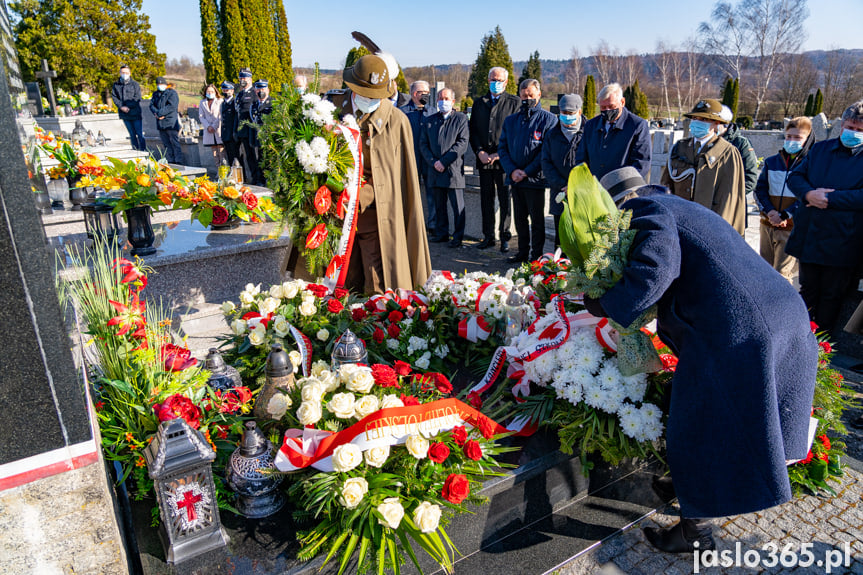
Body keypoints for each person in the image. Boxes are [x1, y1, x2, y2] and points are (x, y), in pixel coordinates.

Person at [582, 178, 816, 554]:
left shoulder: (644, 209)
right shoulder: (680, 205)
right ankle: (686, 484)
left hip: (740, 329)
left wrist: (604, 302)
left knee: (699, 421)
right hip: (777, 312)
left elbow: (654, 269)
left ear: (619, 202)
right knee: (697, 404)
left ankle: (696, 532)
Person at [327, 54, 431, 294]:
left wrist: (359, 196)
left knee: (375, 284)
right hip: (333, 215)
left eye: (377, 96)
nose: (371, 100)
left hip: (375, 217)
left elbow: (393, 178)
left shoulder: (396, 121)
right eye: (365, 94)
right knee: (335, 285)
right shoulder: (331, 110)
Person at [785, 100, 863, 335]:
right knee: (807, 289)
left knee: (832, 295)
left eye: (860, 130)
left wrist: (830, 199)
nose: (854, 133)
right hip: (812, 234)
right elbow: (796, 177)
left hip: (845, 238)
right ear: (842, 125)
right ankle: (798, 338)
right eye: (851, 127)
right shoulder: (820, 150)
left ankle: (823, 346)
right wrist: (808, 193)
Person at [661, 99, 746, 234]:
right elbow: (666, 185)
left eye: (703, 119)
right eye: (695, 118)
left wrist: (718, 233)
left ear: (716, 123)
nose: (696, 122)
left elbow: (728, 199)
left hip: (708, 227)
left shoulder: (727, 152)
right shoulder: (680, 148)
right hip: (678, 224)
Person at [498, 79, 558, 263]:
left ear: (539, 94)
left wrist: (527, 171)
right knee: (520, 219)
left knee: (536, 221)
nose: (527, 98)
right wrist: (512, 170)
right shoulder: (511, 120)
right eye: (524, 96)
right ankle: (522, 252)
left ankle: (536, 256)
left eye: (531, 95)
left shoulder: (549, 120)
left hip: (535, 180)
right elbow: (503, 148)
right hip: (515, 179)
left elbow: (545, 152)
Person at [753, 116, 813, 282]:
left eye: (797, 137)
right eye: (789, 137)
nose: (791, 141)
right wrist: (770, 212)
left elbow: (807, 196)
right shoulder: (772, 162)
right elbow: (760, 190)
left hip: (791, 227)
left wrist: (786, 215)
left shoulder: (811, 165)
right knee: (764, 270)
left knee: (781, 275)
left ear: (807, 139)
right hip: (768, 223)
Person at [469, 66, 520, 253]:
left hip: (504, 160)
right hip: (483, 161)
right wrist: (480, 151)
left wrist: (499, 154)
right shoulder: (479, 103)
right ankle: (488, 236)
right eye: (492, 79)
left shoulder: (514, 103)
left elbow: (516, 133)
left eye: (499, 80)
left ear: (506, 82)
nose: (495, 83)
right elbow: (473, 131)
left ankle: (504, 236)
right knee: (486, 200)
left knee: (505, 200)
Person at [419, 88, 469, 248]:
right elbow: (423, 144)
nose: (443, 101)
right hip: (435, 170)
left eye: (446, 98)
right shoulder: (430, 120)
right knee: (440, 206)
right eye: (440, 98)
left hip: (452, 170)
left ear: (453, 101)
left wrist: (444, 161)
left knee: (457, 207)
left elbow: (462, 143)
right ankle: (442, 234)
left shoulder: (460, 119)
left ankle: (458, 237)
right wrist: (434, 162)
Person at [575, 82, 651, 181]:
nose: (607, 110)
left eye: (611, 107)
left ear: (622, 102)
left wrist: (623, 184)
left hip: (623, 188)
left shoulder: (637, 126)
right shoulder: (591, 126)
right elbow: (581, 158)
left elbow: (641, 162)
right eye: (603, 107)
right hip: (595, 187)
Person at [541, 94, 585, 248]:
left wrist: (575, 186)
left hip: (583, 193)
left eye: (570, 113)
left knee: (581, 238)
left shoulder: (589, 132)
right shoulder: (552, 134)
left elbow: (594, 162)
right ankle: (560, 269)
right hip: (559, 192)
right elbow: (546, 162)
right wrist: (562, 185)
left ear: (579, 112)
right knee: (561, 240)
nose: (566, 117)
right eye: (563, 113)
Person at [400, 80, 433, 230]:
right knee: (410, 192)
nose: (427, 95)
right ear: (415, 94)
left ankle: (432, 224)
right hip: (410, 158)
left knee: (431, 192)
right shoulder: (402, 113)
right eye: (424, 93)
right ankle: (410, 223)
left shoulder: (433, 112)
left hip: (428, 159)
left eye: (428, 93)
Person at [718, 105, 759, 198]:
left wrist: (726, 197)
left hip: (729, 201)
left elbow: (750, 179)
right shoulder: (704, 141)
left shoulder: (741, 143)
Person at [149, 77, 184, 164]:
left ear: (165, 84)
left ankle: (178, 160)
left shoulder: (172, 93)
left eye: (161, 84)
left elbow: (172, 106)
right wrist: (156, 114)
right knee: (166, 143)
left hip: (170, 122)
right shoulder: (156, 94)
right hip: (160, 123)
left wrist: (160, 113)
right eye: (158, 84)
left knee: (174, 142)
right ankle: (171, 160)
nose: (160, 86)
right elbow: (151, 105)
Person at [111, 65, 146, 151]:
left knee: (139, 134)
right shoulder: (116, 85)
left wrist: (128, 106)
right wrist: (121, 107)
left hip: (135, 112)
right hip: (124, 114)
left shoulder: (135, 84)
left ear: (130, 73)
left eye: (126, 73)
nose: (124, 74)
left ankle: (143, 151)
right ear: (120, 73)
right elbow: (115, 97)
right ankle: (135, 150)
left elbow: (137, 97)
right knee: (132, 134)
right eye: (123, 73)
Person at [234, 68, 256, 183]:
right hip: (241, 131)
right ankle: (246, 178)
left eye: (244, 78)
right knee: (245, 156)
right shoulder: (239, 94)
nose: (242, 80)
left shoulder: (254, 93)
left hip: (250, 131)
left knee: (253, 156)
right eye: (241, 78)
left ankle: (257, 178)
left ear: (250, 79)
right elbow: (237, 113)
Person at [249, 79, 272, 185]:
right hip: (256, 138)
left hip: (268, 139)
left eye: (263, 88)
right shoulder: (253, 106)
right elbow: (251, 124)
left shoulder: (272, 104)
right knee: (257, 161)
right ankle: (260, 180)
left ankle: (268, 181)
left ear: (268, 90)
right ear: (255, 91)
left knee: (267, 162)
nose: (260, 91)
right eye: (258, 89)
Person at [199, 84, 224, 166]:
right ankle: (217, 168)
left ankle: (223, 168)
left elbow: (220, 115)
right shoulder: (202, 102)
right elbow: (201, 116)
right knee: (214, 152)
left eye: (212, 91)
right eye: (208, 91)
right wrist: (208, 126)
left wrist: (214, 126)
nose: (210, 93)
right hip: (208, 130)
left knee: (221, 151)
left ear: (215, 92)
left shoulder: (220, 101)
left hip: (218, 128)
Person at [220, 81, 240, 168]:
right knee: (229, 157)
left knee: (236, 157)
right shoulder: (223, 103)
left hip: (233, 134)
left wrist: (235, 132)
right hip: (226, 134)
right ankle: (233, 175)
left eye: (227, 90)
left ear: (232, 91)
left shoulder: (234, 102)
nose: (225, 92)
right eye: (224, 90)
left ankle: (241, 177)